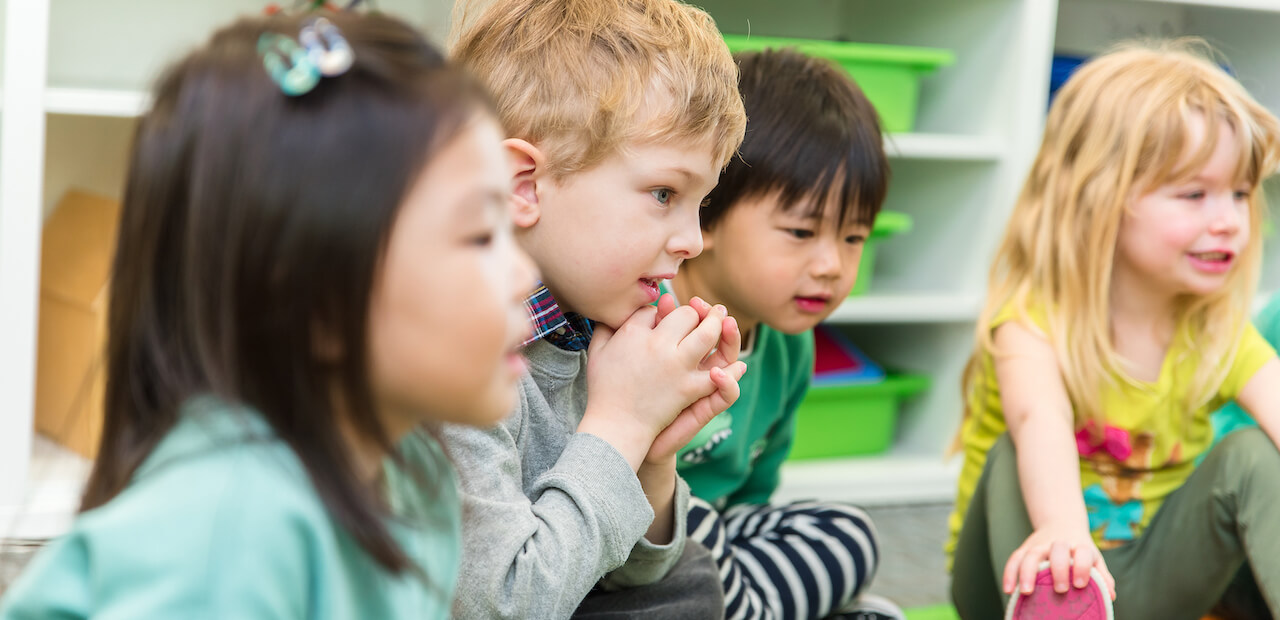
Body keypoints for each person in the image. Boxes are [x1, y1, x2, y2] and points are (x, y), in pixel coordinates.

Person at [0, 11, 535, 618]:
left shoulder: (418, 477)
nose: (526, 275)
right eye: (480, 236)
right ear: (322, 306)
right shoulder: (229, 530)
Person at [947, 41, 1280, 620]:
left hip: (1149, 583)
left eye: (1241, 194)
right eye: (1195, 194)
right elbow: (1040, 421)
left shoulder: (1217, 332)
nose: (1229, 221)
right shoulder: (1031, 324)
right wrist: (1062, 534)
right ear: (1099, 199)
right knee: (1013, 448)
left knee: (1253, 453)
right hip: (1018, 575)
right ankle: (1064, 594)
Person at [443, 0, 748, 617]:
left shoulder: (592, 320)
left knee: (690, 575)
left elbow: (639, 574)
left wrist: (653, 457)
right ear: (522, 185)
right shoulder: (446, 353)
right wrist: (621, 425)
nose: (692, 239)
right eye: (664, 193)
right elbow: (501, 604)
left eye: (701, 202)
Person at [667, 48, 902, 620]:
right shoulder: (652, 324)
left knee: (847, 532)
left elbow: (752, 497)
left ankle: (743, 607)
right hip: (641, 533)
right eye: (801, 231)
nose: (832, 266)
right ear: (706, 213)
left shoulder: (790, 345)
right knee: (687, 516)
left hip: (720, 536)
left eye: (853, 238)